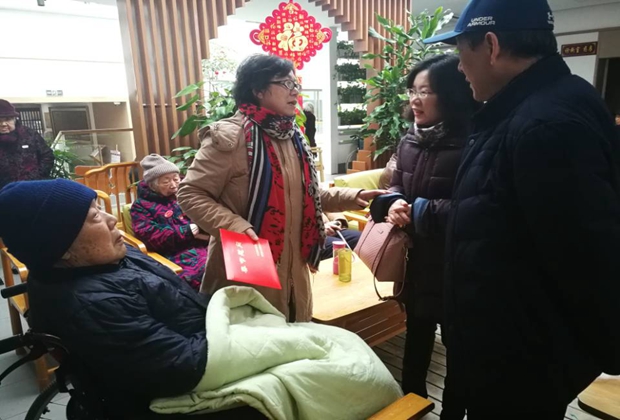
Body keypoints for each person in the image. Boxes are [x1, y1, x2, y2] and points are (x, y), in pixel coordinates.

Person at [423, 0, 620, 418]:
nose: (459, 67)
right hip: (509, 348)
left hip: (520, 361)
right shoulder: (528, 108)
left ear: (491, 46)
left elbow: (587, 257)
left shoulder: (545, 125)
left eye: (461, 51)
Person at [0, 179, 265, 419]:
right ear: (61, 246)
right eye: (95, 216)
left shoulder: (108, 256)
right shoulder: (93, 305)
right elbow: (182, 368)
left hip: (198, 337)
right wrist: (253, 340)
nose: (112, 219)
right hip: (181, 387)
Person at [178, 54, 385, 322]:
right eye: (286, 84)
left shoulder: (293, 135)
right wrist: (236, 226)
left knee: (293, 334)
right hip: (246, 263)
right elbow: (190, 193)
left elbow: (307, 193)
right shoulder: (229, 137)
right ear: (258, 90)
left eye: (295, 84)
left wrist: (354, 196)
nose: (295, 91)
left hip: (294, 268)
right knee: (254, 337)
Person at [370, 54, 479, 420]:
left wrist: (417, 210)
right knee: (416, 337)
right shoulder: (409, 141)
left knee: (458, 349)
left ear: (451, 94)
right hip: (415, 262)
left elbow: (476, 208)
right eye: (412, 91)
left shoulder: (474, 142)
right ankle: (412, 405)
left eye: (426, 91)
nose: (415, 100)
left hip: (457, 266)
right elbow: (395, 187)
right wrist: (393, 203)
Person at [130, 154, 208, 291]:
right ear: (153, 185)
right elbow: (150, 236)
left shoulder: (185, 194)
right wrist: (186, 231)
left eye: (176, 179)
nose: (173, 185)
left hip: (204, 245)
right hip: (174, 254)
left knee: (232, 262)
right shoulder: (141, 206)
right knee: (207, 273)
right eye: (166, 182)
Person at [0, 99, 54, 190]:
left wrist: (37, 176)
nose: (3, 124)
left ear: (14, 119)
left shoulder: (29, 134)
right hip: (3, 190)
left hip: (32, 186)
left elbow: (47, 155)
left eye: (8, 119)